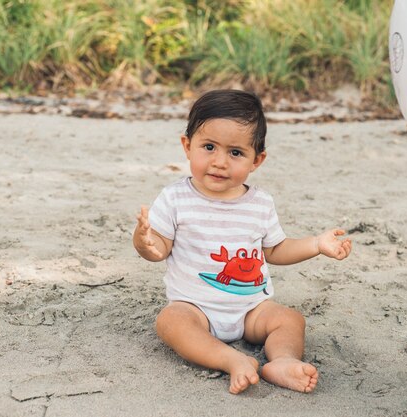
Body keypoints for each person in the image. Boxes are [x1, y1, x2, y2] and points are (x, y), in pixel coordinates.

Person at [133, 89, 352, 395]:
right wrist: (145, 242)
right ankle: (231, 359)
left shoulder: (260, 203)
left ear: (256, 160)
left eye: (235, 153)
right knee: (171, 321)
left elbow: (275, 250)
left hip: (251, 309)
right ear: (187, 146)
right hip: (196, 308)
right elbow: (159, 248)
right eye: (208, 147)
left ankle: (283, 361)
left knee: (289, 319)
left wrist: (316, 244)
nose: (220, 162)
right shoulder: (175, 198)